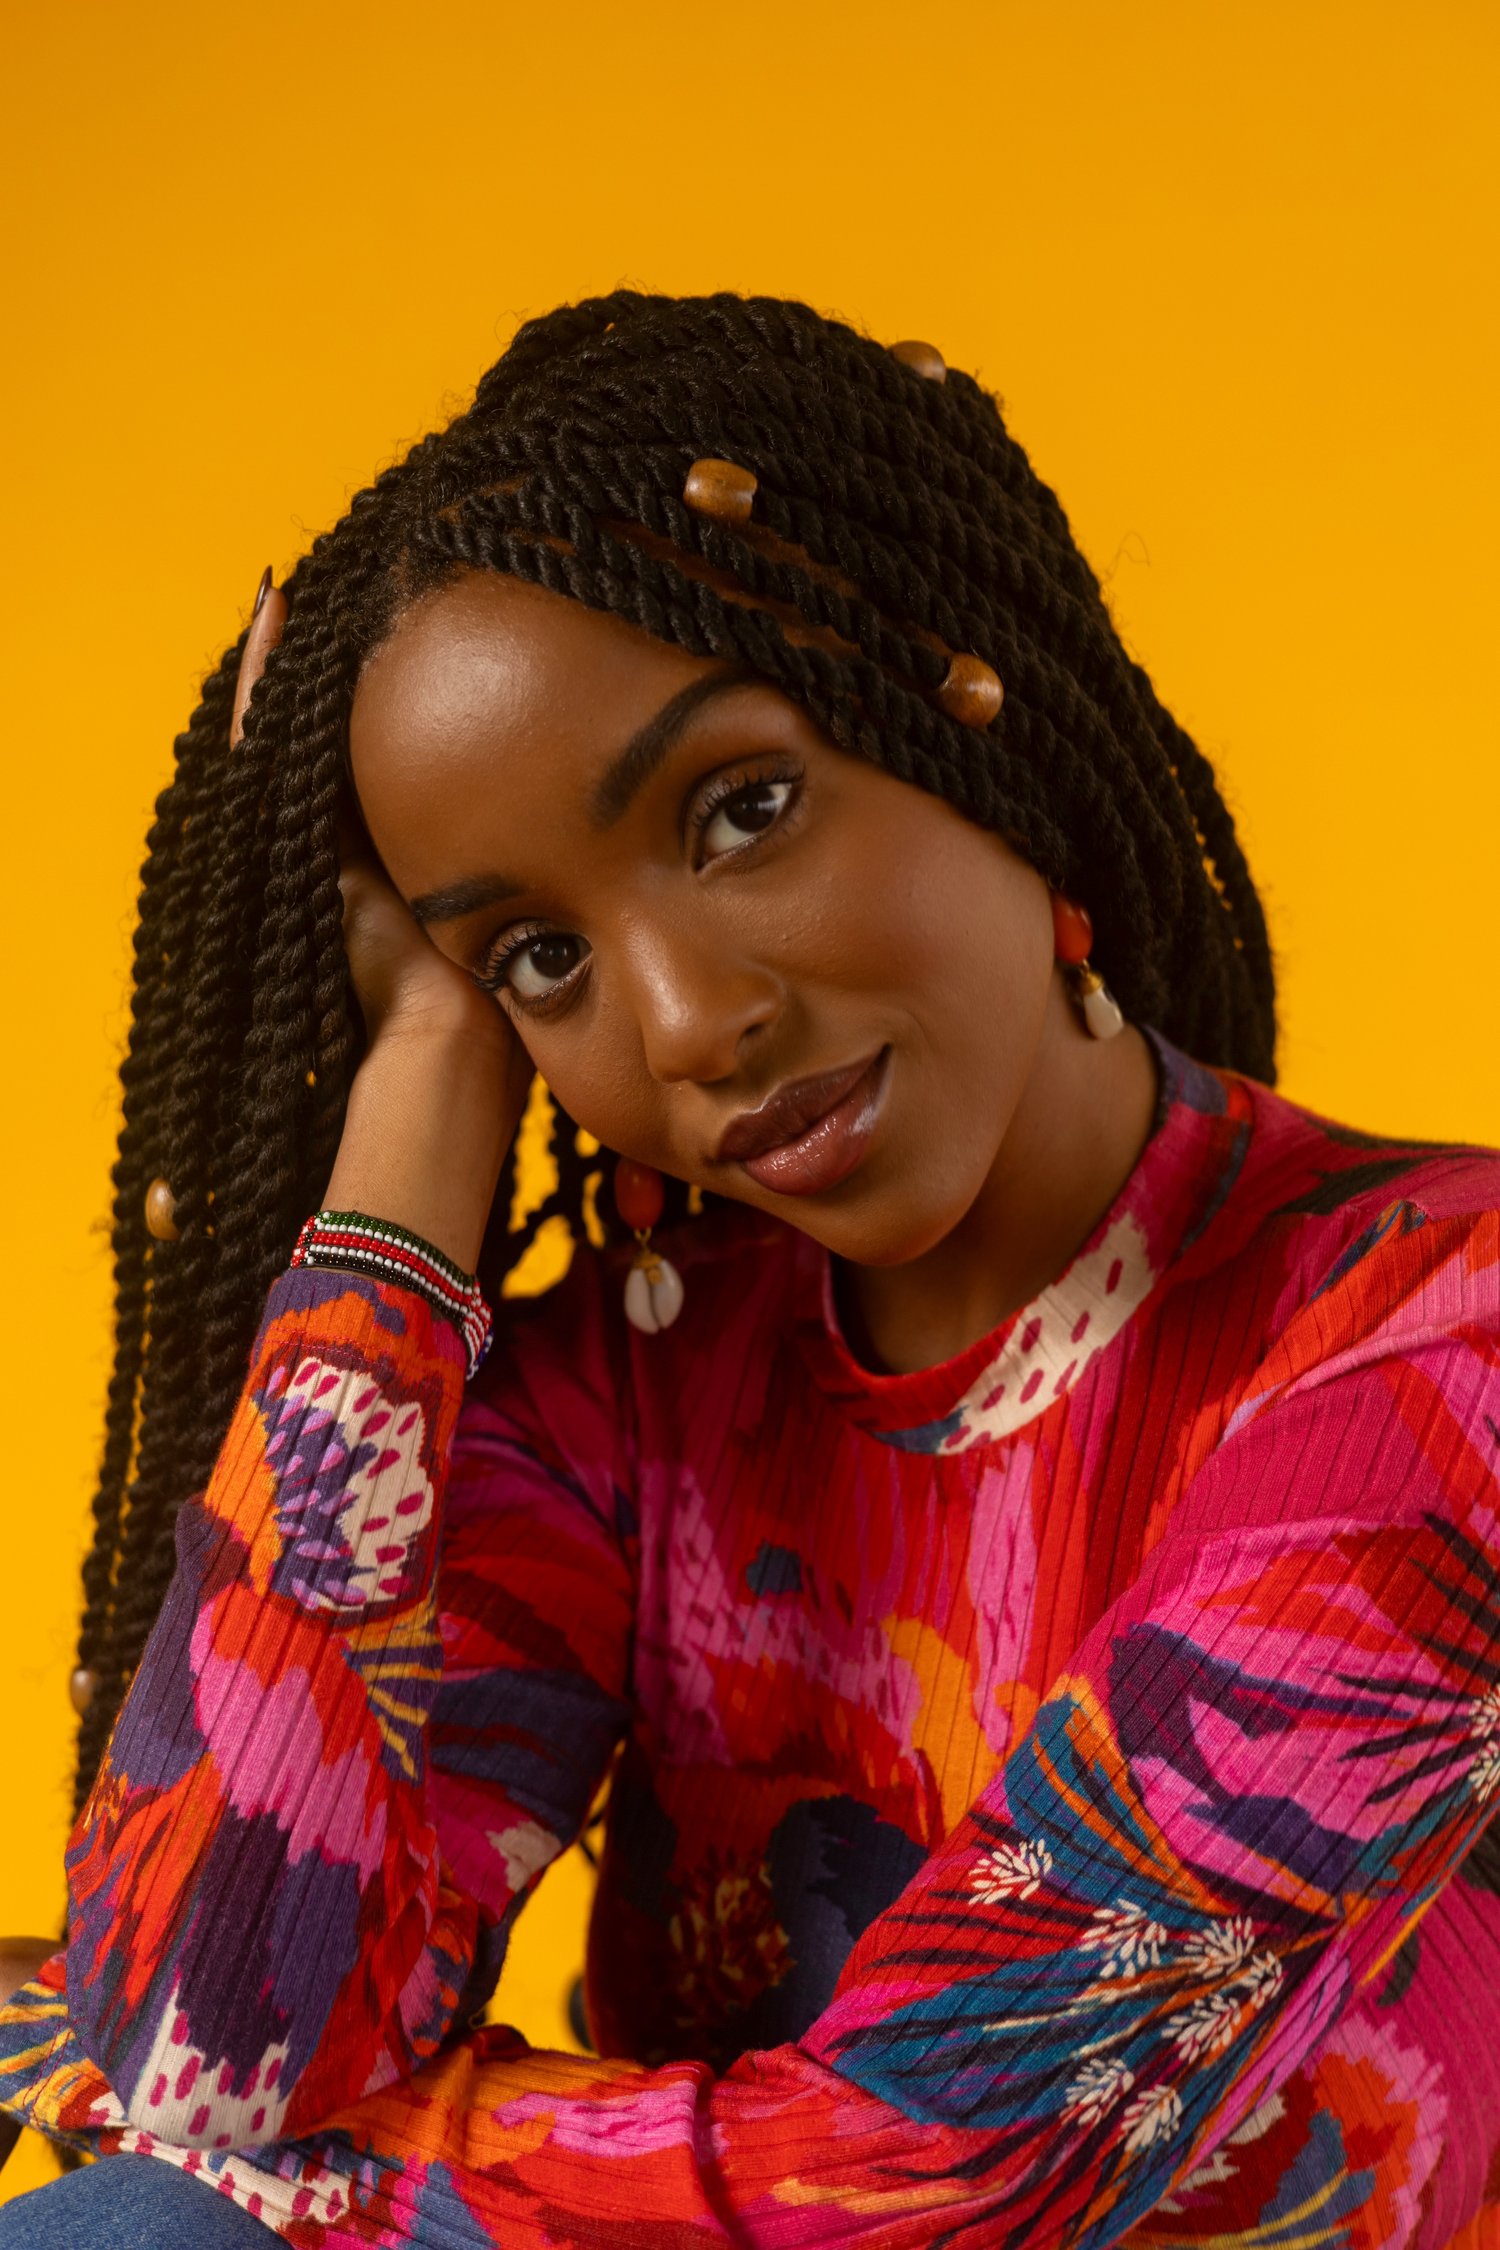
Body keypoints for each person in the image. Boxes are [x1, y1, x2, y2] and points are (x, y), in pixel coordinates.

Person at [0, 290, 1496, 2250]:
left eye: (742, 810)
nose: (690, 1022)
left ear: (964, 704)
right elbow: (217, 2040)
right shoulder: (645, 1386)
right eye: (535, 956)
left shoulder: (1430, 1328)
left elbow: (943, 2174)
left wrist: (277, 2154)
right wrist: (407, 1163)